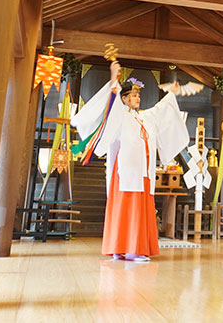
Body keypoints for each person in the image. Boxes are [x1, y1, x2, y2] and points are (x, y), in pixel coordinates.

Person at [71, 60, 189, 262]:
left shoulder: (143, 117)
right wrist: (114, 78)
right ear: (124, 98)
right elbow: (112, 102)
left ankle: (132, 249)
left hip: (143, 171)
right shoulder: (120, 116)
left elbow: (160, 110)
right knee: (124, 207)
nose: (137, 98)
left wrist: (172, 94)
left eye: (138, 95)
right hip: (125, 171)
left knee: (138, 208)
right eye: (133, 95)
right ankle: (122, 249)